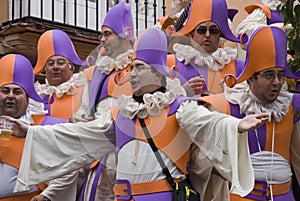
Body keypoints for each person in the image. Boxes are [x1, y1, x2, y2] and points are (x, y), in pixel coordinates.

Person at [9, 28, 270, 201]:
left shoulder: (178, 107)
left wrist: (235, 125)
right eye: (131, 67)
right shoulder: (120, 113)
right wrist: (31, 131)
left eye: (139, 68)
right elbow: (77, 134)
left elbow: (208, 122)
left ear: (157, 73)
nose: (131, 74)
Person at [200, 26, 300, 201]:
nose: (277, 82)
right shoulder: (224, 105)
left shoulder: (291, 106)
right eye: (269, 75)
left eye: (281, 75)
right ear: (251, 77)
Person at [69, 2, 134, 200]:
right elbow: (86, 109)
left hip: (127, 157)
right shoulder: (98, 71)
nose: (102, 39)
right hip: (97, 156)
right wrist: (77, 118)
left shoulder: (139, 67)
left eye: (108, 34)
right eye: (102, 34)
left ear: (125, 34)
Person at [0, 54, 78, 201]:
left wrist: (45, 196)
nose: (10, 96)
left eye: (17, 92)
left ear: (27, 99)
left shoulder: (48, 127)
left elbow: (68, 169)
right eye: (5, 91)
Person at [166, 0, 248, 97]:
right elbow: (154, 106)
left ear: (220, 34)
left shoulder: (239, 68)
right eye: (202, 30)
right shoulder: (169, 63)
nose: (207, 35)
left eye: (213, 30)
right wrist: (182, 92)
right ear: (192, 33)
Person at [34, 29, 87, 120]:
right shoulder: (37, 95)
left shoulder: (84, 90)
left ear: (71, 67)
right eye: (50, 64)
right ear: (45, 69)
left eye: (61, 63)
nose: (55, 67)